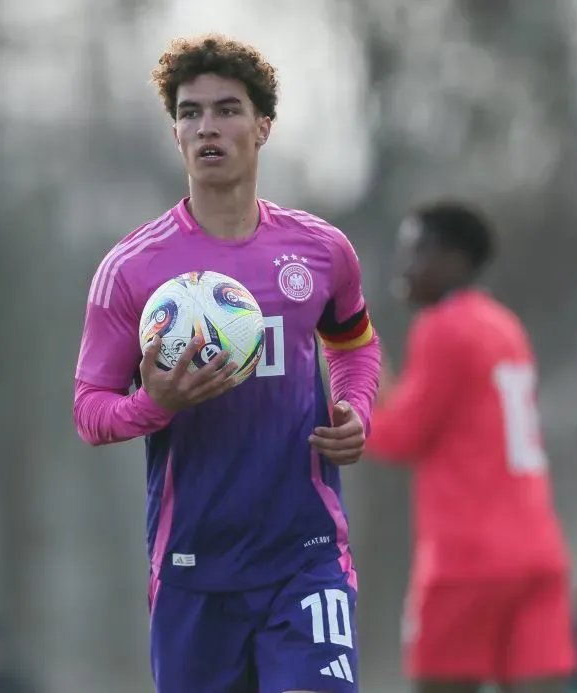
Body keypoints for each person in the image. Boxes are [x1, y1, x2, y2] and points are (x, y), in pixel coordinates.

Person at [73, 34, 380, 693]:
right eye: (189, 113)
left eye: (227, 109)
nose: (207, 127)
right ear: (175, 132)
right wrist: (156, 403)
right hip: (193, 568)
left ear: (263, 126)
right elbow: (89, 410)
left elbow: (354, 343)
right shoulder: (132, 271)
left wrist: (357, 408)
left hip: (307, 556)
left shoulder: (321, 251)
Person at [365, 202, 577, 693]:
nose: (406, 268)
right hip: (537, 552)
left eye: (416, 252)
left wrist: (346, 386)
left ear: (453, 258)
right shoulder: (504, 325)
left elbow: (401, 436)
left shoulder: (443, 328)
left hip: (466, 559)